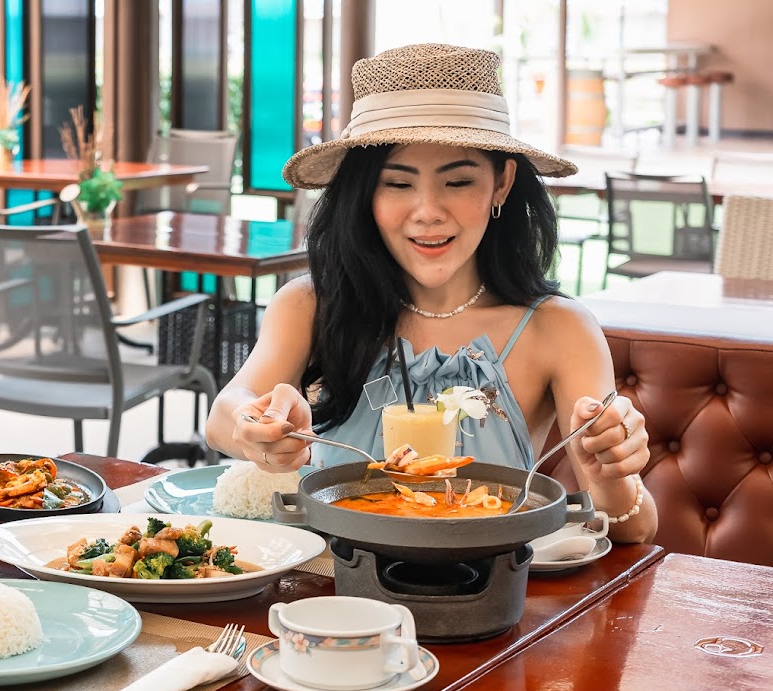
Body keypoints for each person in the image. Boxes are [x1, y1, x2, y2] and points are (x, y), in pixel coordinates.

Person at [205, 43, 657, 544]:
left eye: (458, 182)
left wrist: (610, 472)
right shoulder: (311, 305)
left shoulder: (558, 327)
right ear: (365, 195)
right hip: (329, 584)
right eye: (397, 185)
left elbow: (637, 529)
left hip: (489, 585)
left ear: (502, 183)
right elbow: (224, 416)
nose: (427, 212)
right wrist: (255, 426)